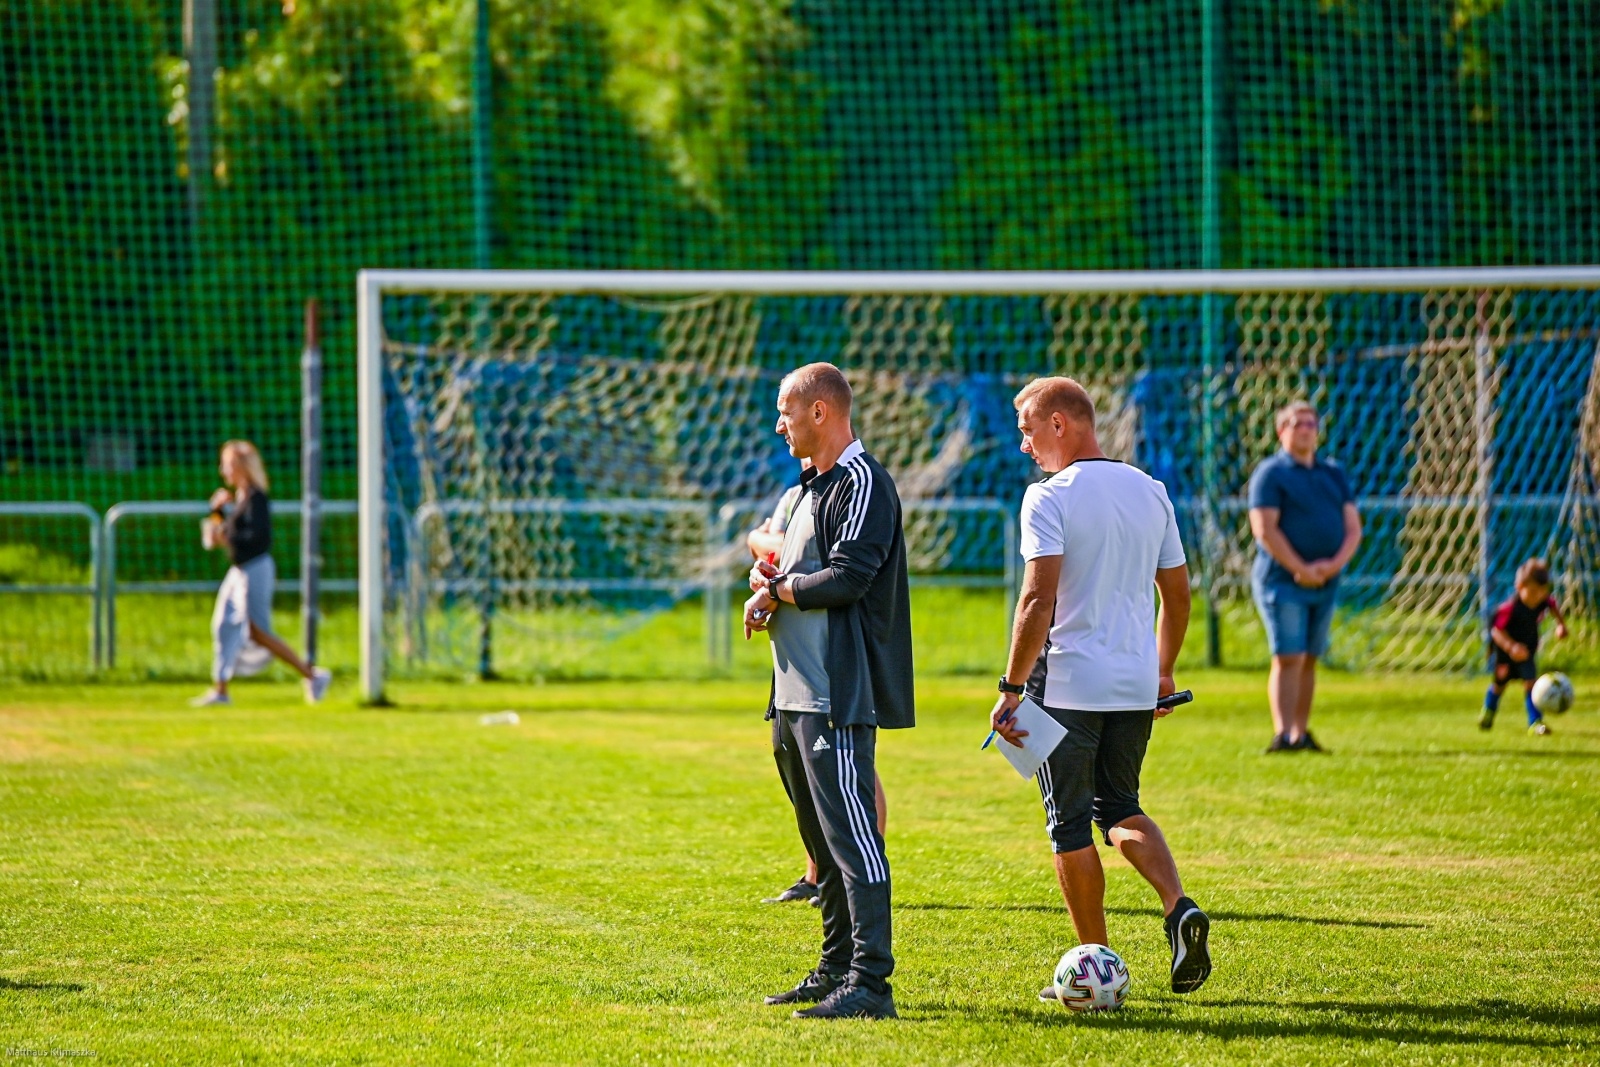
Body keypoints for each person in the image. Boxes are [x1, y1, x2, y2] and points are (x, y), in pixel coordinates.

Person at [988, 376, 1211, 1001]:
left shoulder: (1048, 498)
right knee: (1120, 807)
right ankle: (1177, 906)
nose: (1025, 444)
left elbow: (1037, 598)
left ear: (1062, 423)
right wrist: (1163, 670)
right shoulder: (1151, 490)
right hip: (1135, 685)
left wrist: (1011, 687)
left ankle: (1097, 965)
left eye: (1029, 429)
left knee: (1068, 827)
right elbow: (1179, 595)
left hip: (1067, 686)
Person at [743, 362, 913, 1020]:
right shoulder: (810, 487)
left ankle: (872, 982)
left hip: (834, 696)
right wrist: (770, 593)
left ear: (821, 412)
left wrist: (780, 589)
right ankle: (836, 966)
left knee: (854, 837)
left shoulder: (866, 481)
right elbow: (801, 572)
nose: (778, 423)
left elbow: (848, 577)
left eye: (786, 411)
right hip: (792, 695)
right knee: (824, 843)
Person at [750, 465, 889, 908]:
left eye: (787, 415)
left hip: (834, 664)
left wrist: (774, 563)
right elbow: (766, 550)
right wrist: (770, 574)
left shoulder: (858, 487)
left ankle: (860, 879)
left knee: (852, 775)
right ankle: (819, 877)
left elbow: (839, 571)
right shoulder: (794, 496)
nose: (781, 428)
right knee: (809, 782)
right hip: (793, 664)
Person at [1246, 400, 1363, 753]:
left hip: (1325, 581)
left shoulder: (1333, 473)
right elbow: (1264, 529)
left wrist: (1332, 566)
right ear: (1282, 431)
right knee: (1288, 655)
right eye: (1298, 423)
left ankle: (1301, 731)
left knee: (1310, 656)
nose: (1306, 429)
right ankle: (1283, 734)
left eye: (1311, 423)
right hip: (1283, 581)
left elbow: (1353, 528)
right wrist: (1300, 568)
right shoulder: (1271, 473)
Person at [190, 440, 331, 707]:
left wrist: (225, 535)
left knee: (258, 633)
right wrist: (217, 513)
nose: (224, 471)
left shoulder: (257, 498)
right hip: (239, 570)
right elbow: (226, 532)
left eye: (228, 465)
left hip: (255, 569)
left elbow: (257, 538)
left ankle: (312, 675)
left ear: (242, 467)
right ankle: (221, 689)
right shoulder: (241, 498)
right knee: (223, 624)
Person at [1481, 557, 1569, 735]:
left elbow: (1552, 605)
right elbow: (1496, 631)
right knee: (1499, 686)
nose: (1539, 596)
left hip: (1527, 651)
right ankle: (1488, 711)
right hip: (1506, 654)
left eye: (1543, 592)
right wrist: (1511, 648)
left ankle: (1535, 723)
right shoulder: (1510, 608)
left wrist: (1561, 625)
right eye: (1534, 592)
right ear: (1520, 587)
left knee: (1531, 684)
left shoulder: (1542, 600)